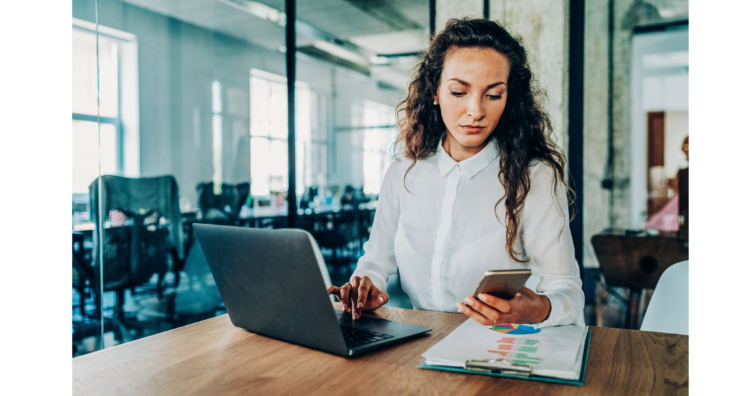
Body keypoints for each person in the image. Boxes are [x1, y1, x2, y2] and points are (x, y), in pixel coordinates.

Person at [327, 18, 584, 328]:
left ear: (509, 99)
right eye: (459, 92)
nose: (475, 111)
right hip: (419, 342)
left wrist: (539, 308)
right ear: (435, 92)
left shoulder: (536, 176)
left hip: (503, 345)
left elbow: (567, 291)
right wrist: (364, 284)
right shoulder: (403, 173)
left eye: (493, 95)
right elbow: (376, 260)